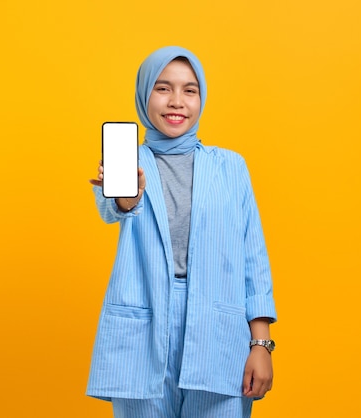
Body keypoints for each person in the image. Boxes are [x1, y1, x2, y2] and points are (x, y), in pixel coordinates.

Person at [87, 46, 277, 418]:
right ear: (144, 95)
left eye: (190, 90)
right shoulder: (126, 163)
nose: (177, 102)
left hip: (218, 326)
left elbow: (253, 260)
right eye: (163, 88)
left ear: (201, 97)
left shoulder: (230, 167)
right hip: (143, 329)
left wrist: (261, 344)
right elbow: (111, 209)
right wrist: (127, 199)